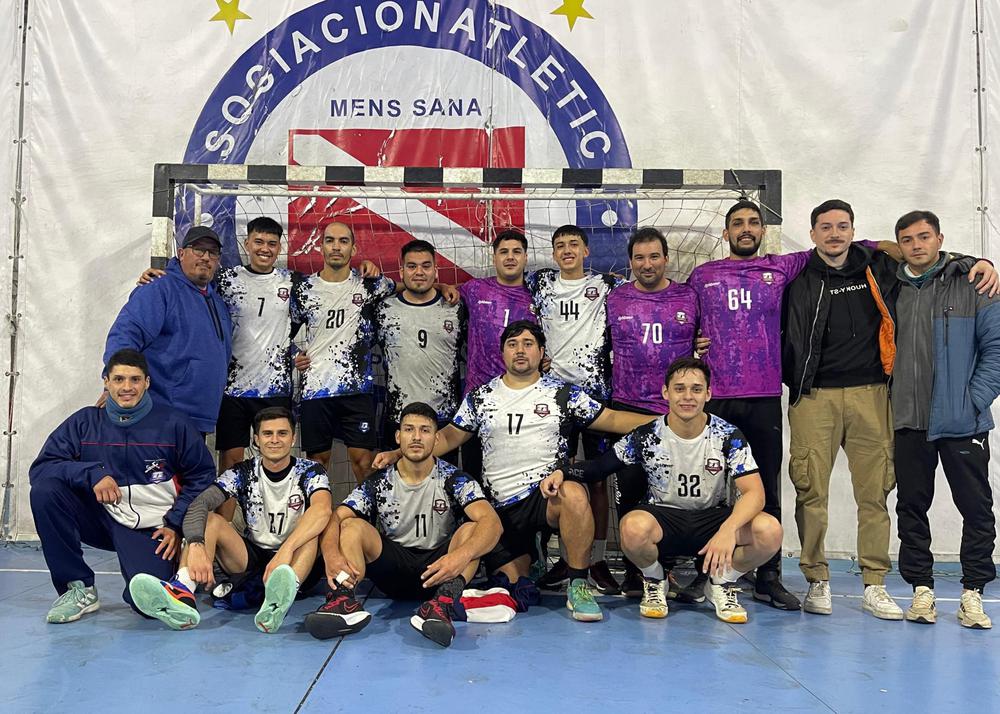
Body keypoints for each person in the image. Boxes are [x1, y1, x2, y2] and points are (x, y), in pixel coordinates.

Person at [782, 199, 997, 619]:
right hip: (817, 397)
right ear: (812, 234)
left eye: (842, 226)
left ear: (853, 230)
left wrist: (980, 261)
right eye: (825, 227)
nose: (834, 234)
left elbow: (930, 264)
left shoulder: (879, 268)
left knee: (875, 494)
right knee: (813, 492)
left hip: (873, 395)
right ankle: (817, 580)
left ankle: (875, 583)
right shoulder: (796, 274)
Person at [374, 321, 658, 622]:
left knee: (574, 493)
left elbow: (612, 419)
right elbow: (447, 438)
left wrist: (666, 419)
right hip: (500, 510)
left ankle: (577, 585)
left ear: (541, 351)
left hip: (545, 495)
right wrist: (397, 452)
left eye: (527, 343)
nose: (520, 350)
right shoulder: (482, 397)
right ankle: (530, 557)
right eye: (512, 344)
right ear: (502, 353)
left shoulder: (563, 394)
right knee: (514, 588)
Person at [540, 357, 782, 624]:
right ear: (666, 392)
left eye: (696, 389)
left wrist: (728, 531)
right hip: (664, 520)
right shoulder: (647, 435)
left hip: (711, 522)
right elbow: (599, 467)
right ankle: (655, 580)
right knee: (632, 526)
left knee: (769, 530)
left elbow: (755, 493)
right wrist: (564, 471)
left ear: (708, 394)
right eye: (679, 389)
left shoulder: (727, 435)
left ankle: (721, 582)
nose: (687, 397)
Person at [28, 349, 216, 623]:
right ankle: (77, 587)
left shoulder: (174, 424)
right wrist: (92, 473)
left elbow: (203, 476)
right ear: (106, 381)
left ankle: (168, 579)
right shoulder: (84, 422)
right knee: (45, 492)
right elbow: (42, 469)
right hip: (101, 518)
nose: (126, 387)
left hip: (152, 529)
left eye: (134, 379)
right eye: (118, 379)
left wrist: (176, 524)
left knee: (146, 607)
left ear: (147, 382)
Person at [307, 402, 502, 647]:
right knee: (350, 526)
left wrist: (460, 557)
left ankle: (442, 604)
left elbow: (493, 524)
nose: (417, 437)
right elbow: (335, 517)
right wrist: (332, 555)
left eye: (425, 430)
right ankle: (343, 599)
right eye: (409, 429)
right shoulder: (379, 482)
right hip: (393, 570)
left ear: (437, 438)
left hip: (440, 571)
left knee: (475, 529)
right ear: (398, 436)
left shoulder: (455, 479)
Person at [129, 407, 332, 633]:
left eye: (282, 433)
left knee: (311, 530)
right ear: (256, 439)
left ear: (293, 438)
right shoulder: (242, 472)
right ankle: (182, 592)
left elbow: (323, 510)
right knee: (211, 520)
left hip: (298, 560)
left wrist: (286, 550)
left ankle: (281, 598)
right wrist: (195, 543)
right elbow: (199, 504)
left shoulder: (311, 471)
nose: (275, 440)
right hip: (253, 557)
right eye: (267, 434)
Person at [891, 210, 1000, 629]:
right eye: (907, 239)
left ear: (940, 238)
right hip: (909, 420)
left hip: (963, 422)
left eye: (924, 237)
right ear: (898, 244)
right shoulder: (891, 286)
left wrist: (971, 400)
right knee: (911, 507)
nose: (916, 245)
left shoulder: (975, 283)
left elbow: (995, 351)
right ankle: (921, 590)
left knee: (976, 509)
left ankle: (973, 593)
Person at [525, 225, 625, 594]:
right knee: (556, 481)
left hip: (597, 396)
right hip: (553, 399)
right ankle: (565, 559)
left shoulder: (608, 285)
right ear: (553, 254)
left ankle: (596, 560)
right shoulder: (539, 283)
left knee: (598, 479)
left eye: (574, 245)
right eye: (560, 246)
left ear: (586, 250)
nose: (567, 250)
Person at [606, 226, 700, 596]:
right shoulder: (614, 299)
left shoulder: (688, 297)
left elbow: (706, 340)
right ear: (630, 262)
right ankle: (635, 571)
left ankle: (669, 569)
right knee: (630, 493)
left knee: (673, 494)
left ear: (666, 259)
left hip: (675, 412)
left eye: (654, 256)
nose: (647, 264)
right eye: (640, 258)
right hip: (626, 409)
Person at [294, 221, 396, 481]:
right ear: (320, 247)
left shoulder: (369, 285)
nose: (336, 247)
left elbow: (408, 287)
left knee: (364, 462)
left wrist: (441, 288)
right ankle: (320, 520)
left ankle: (366, 520)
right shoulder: (304, 290)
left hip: (357, 391)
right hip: (316, 390)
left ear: (354, 248)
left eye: (343, 241)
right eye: (330, 240)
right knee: (317, 465)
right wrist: (292, 356)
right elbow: (283, 332)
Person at [105, 226, 233, 434]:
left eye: (212, 252)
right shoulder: (159, 288)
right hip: (162, 413)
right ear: (181, 253)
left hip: (199, 417)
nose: (206, 257)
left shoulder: (217, 302)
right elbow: (125, 335)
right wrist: (116, 383)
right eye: (199, 250)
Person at [457, 229, 537, 479]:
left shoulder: (540, 295)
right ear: (494, 258)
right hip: (478, 400)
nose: (510, 257)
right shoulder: (474, 289)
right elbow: (437, 291)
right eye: (504, 252)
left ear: (525, 257)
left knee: (519, 473)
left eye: (516, 252)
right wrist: (441, 286)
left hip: (522, 400)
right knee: (474, 474)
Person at [373, 240, 466, 454]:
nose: (419, 272)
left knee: (439, 484)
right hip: (398, 417)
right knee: (398, 484)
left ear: (435, 270)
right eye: (412, 266)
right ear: (401, 270)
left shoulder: (456, 308)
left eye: (426, 266)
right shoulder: (383, 309)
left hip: (443, 417)